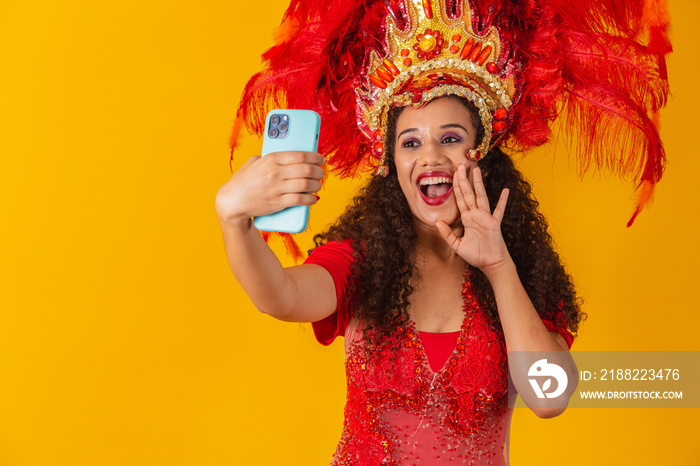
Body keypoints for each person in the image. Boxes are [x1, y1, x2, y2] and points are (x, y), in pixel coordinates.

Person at [216, 0, 670, 463]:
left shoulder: (523, 267)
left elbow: (549, 396)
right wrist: (234, 221)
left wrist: (498, 266)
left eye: (450, 138)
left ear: (481, 154)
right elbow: (282, 297)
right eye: (410, 142)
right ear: (392, 165)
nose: (430, 156)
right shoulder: (361, 260)